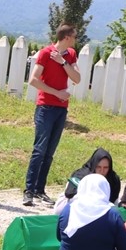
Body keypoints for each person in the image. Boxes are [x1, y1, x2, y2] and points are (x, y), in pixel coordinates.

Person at [23, 24, 81, 206]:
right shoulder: (45, 53)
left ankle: (40, 190)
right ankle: (29, 190)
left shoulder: (70, 54)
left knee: (49, 152)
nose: (75, 40)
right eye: (74, 36)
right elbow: (33, 80)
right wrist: (57, 93)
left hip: (61, 109)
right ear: (66, 37)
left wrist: (63, 63)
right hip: (45, 107)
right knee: (39, 150)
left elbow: (77, 79)